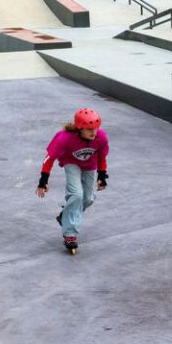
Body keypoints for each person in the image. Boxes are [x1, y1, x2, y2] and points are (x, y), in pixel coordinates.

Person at [36, 108, 109, 253]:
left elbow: (102, 156)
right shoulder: (64, 138)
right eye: (89, 129)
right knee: (76, 195)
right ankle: (70, 234)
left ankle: (65, 216)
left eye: (95, 128)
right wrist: (43, 180)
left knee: (88, 199)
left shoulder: (101, 137)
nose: (93, 132)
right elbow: (49, 158)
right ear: (79, 128)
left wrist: (102, 176)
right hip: (72, 163)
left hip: (90, 165)